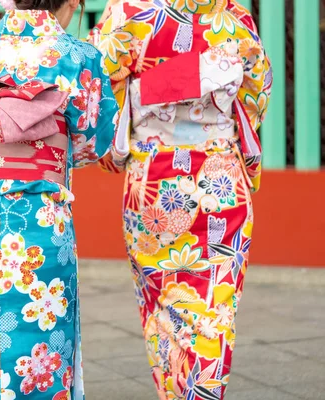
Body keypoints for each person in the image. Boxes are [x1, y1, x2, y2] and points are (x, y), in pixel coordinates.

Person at [0, 0, 120, 397]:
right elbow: (95, 140)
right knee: (43, 337)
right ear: (71, 3)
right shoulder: (79, 56)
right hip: (37, 212)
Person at [90, 1, 272, 399]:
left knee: (162, 303)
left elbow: (99, 83)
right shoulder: (234, 15)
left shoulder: (129, 11)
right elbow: (257, 90)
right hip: (222, 179)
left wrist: (116, 148)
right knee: (215, 310)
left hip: (157, 181)